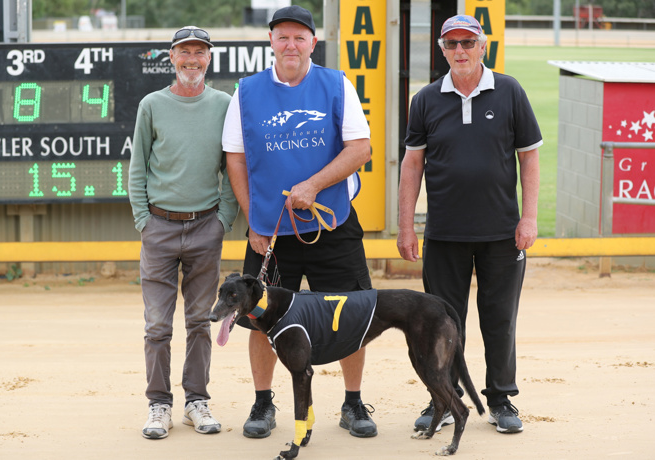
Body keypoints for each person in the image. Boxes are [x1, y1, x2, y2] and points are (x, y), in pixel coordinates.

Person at [221, 5, 377, 440]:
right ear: (271, 41)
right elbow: (235, 158)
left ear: (312, 42)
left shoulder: (336, 84)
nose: (291, 44)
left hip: (332, 225)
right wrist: (254, 219)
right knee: (257, 318)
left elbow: (361, 148)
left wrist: (312, 184)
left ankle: (352, 402)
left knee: (352, 314)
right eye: (282, 37)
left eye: (299, 37)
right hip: (270, 232)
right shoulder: (246, 92)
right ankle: (263, 402)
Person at [397, 15, 541, 435]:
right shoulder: (425, 99)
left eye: (468, 42)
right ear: (442, 49)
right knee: (440, 323)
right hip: (443, 233)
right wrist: (406, 226)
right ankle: (443, 398)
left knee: (499, 319)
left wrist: (528, 217)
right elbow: (412, 165)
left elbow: (529, 156)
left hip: (502, 232)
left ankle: (500, 399)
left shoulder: (510, 90)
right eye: (451, 43)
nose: (460, 50)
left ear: (482, 46)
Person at [128, 26, 239, 440]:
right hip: (158, 228)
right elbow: (138, 166)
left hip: (205, 227)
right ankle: (159, 405)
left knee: (199, 321)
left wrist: (223, 220)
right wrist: (144, 220)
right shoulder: (151, 105)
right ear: (171, 58)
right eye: (184, 52)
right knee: (157, 326)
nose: (192, 59)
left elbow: (232, 167)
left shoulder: (225, 105)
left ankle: (197, 401)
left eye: (200, 53)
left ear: (209, 59)